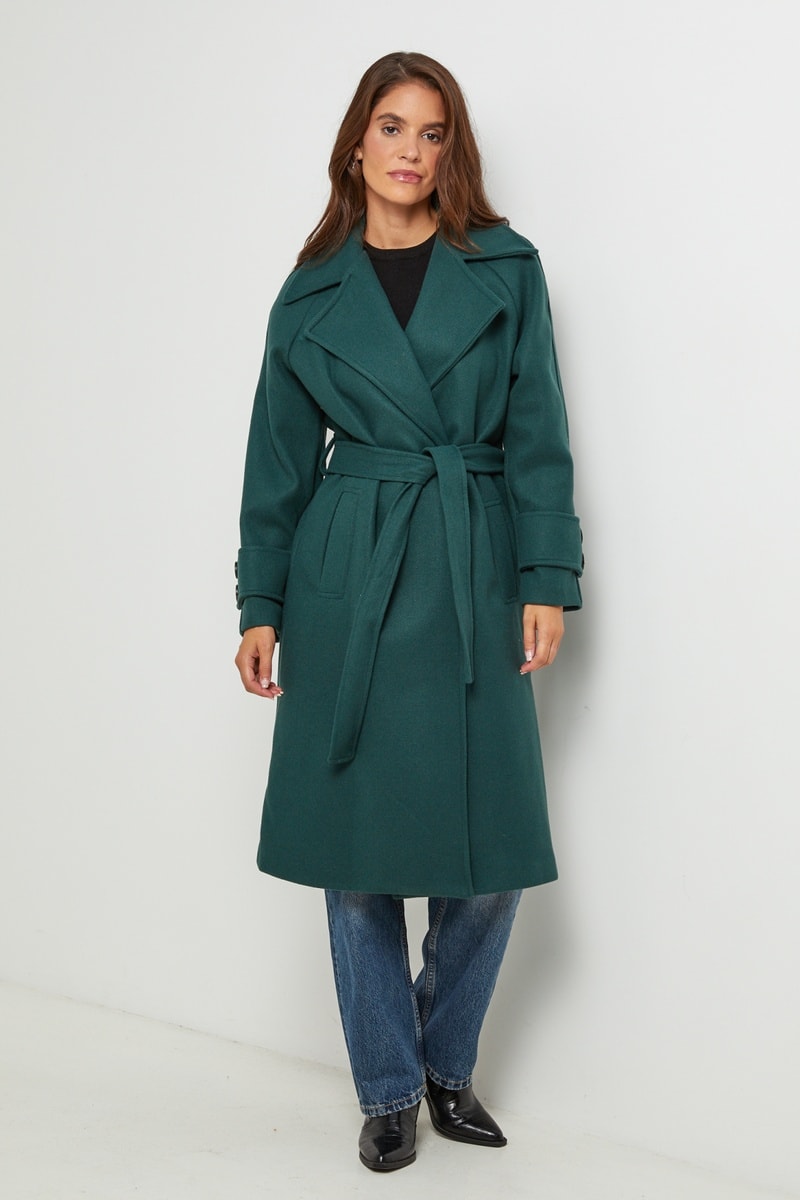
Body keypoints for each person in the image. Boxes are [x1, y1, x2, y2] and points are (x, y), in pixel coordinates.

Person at [234, 51, 583, 1172]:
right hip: (351, 573)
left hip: (471, 556)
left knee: (491, 860)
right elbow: (277, 462)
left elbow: (537, 432)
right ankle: (389, 1087)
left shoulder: (506, 268)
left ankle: (444, 1056)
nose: (410, 151)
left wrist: (546, 574)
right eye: (391, 127)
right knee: (359, 855)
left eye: (433, 133)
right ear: (356, 144)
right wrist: (261, 600)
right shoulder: (309, 294)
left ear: (451, 152)